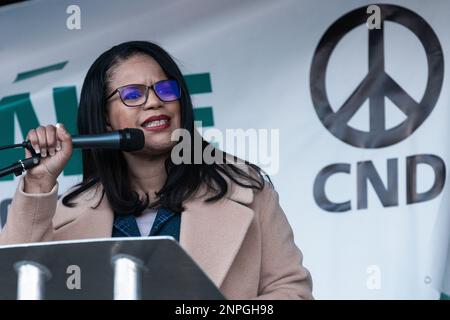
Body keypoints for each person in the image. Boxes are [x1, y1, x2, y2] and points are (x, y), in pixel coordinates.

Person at [0, 41, 313, 299]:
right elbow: (14, 285)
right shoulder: (65, 215)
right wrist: (39, 182)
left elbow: (290, 291)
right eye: (133, 95)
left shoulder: (246, 190)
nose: (154, 102)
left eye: (165, 88)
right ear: (105, 119)